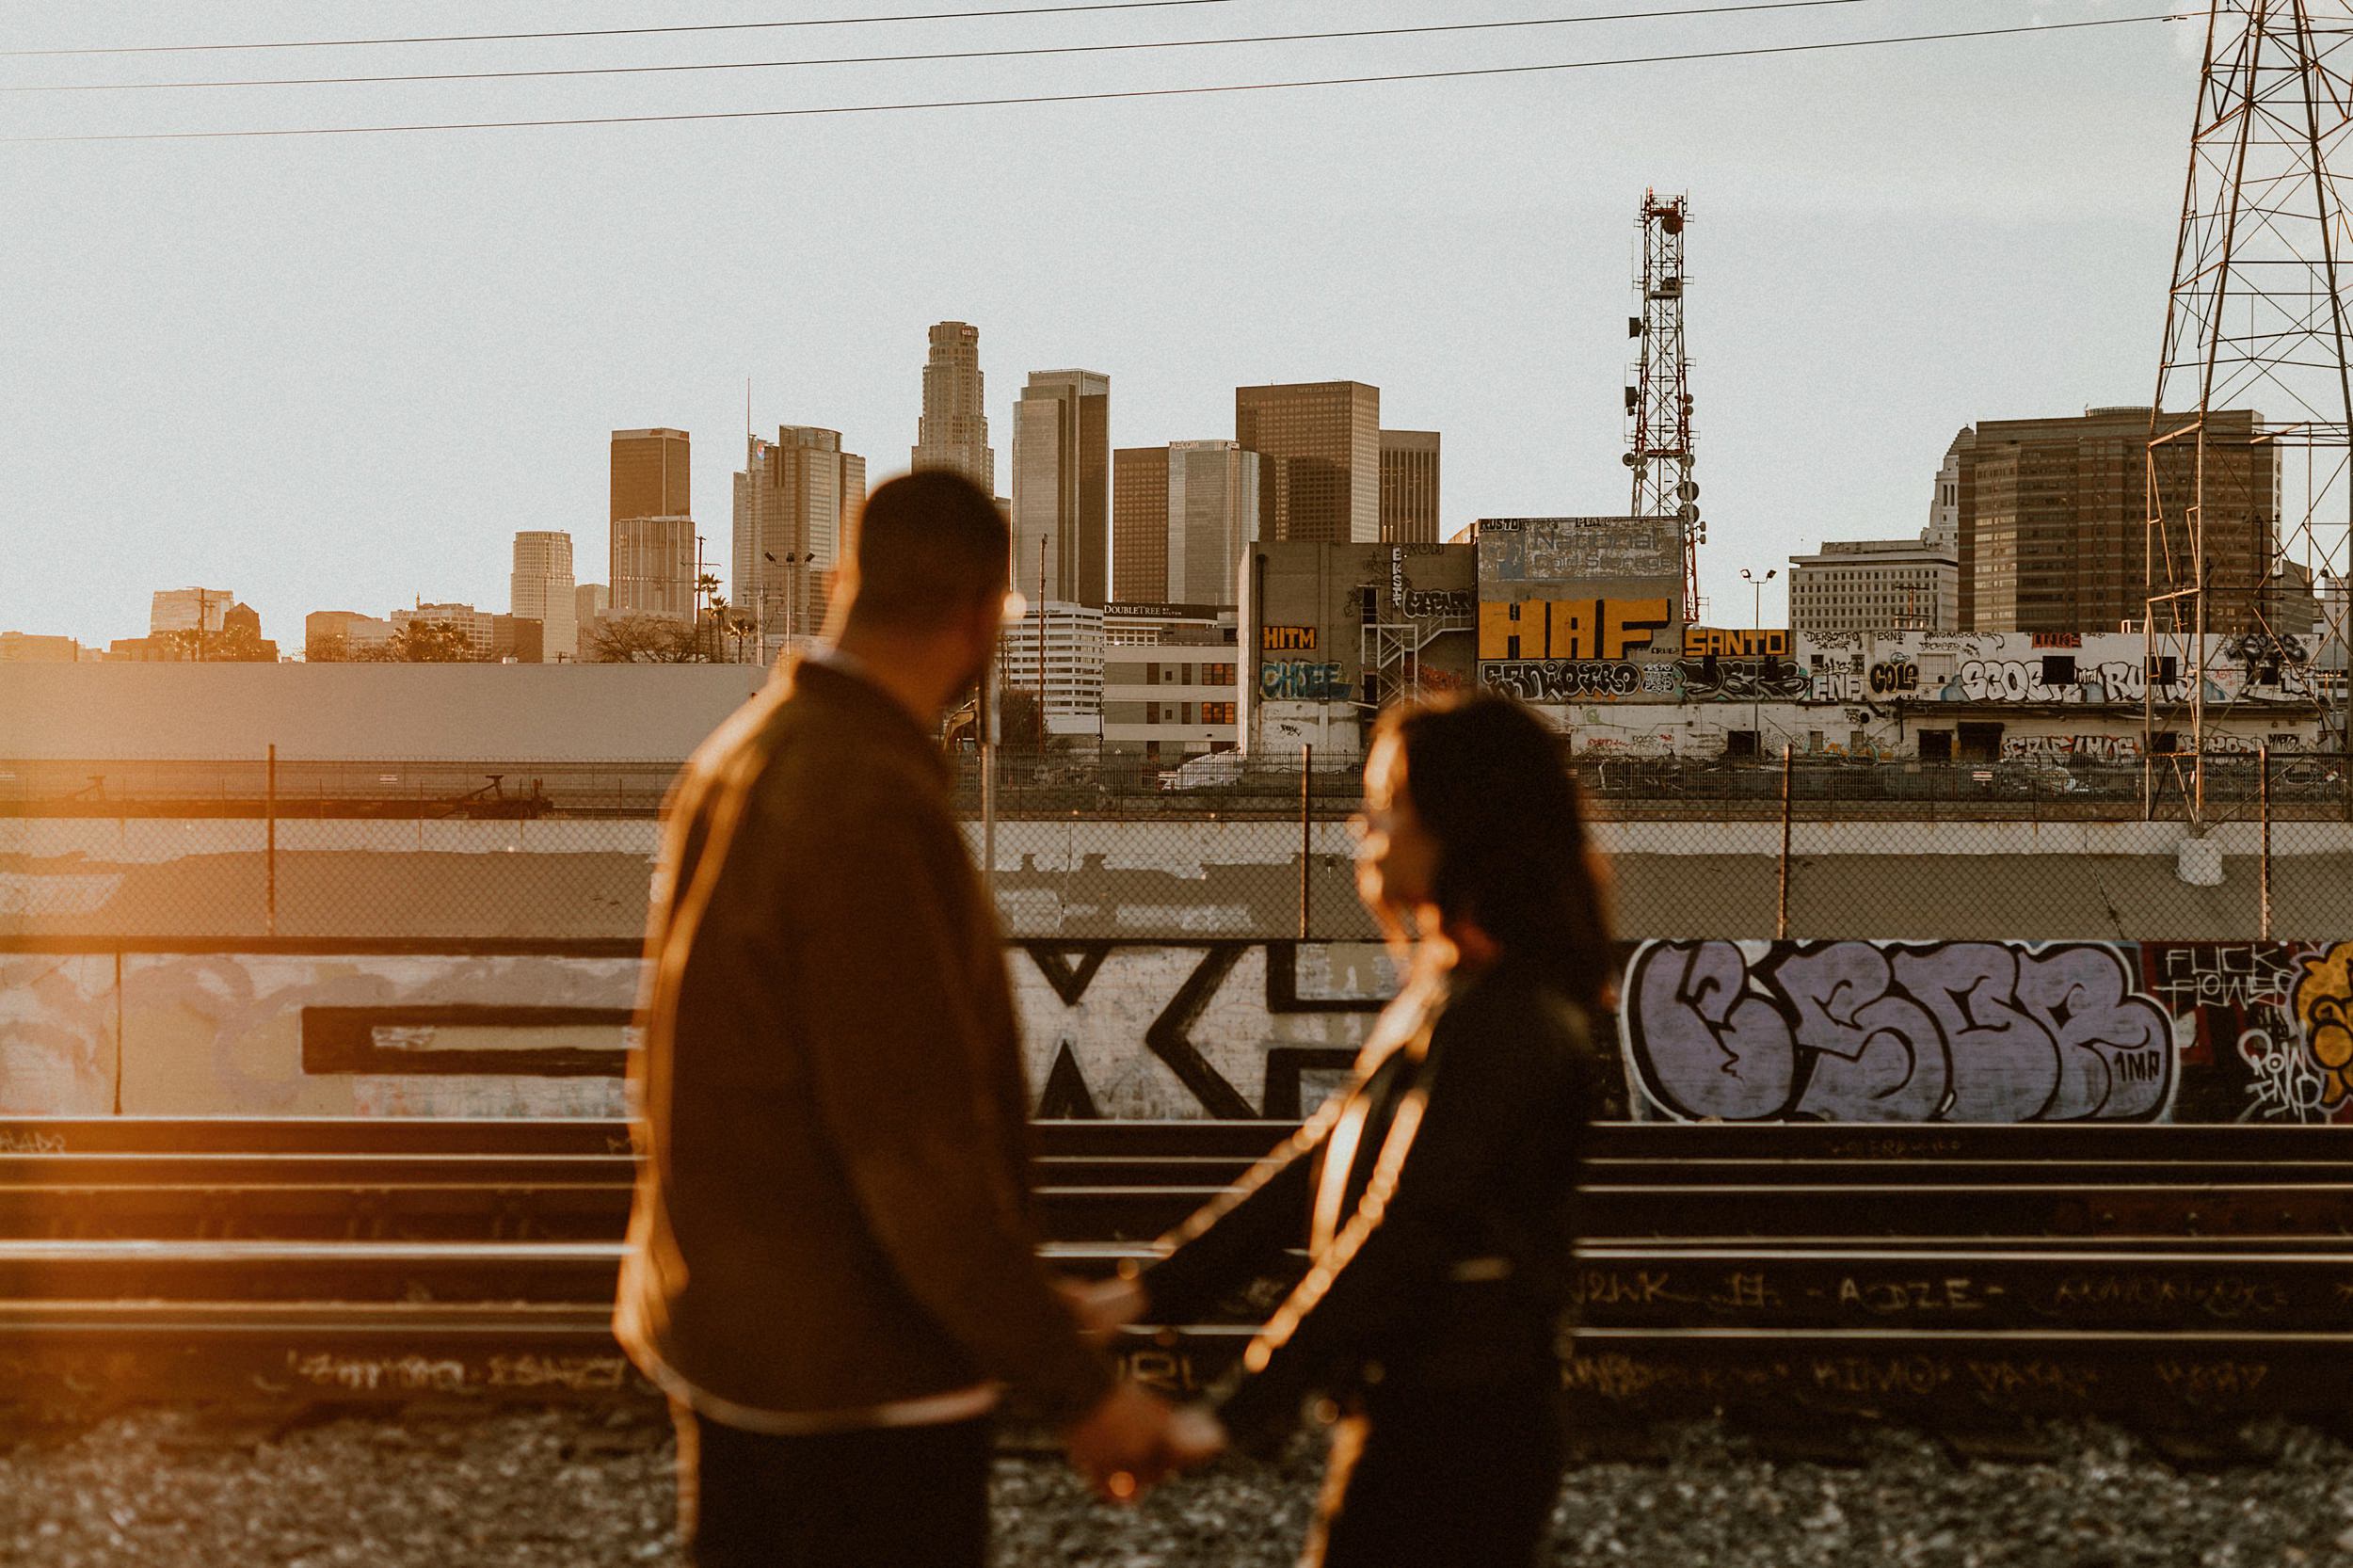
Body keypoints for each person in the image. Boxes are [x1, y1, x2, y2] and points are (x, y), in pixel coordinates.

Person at [615, 470, 1202, 1568]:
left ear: (844, 582)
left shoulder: (737, 755)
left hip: (734, 1343)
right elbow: (912, 1148)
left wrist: (1017, 1302)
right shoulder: (869, 803)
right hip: (864, 1385)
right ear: (985, 615)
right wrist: (1081, 1395)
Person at [1077, 690, 1612, 1568]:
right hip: (1430, 1416)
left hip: (1460, 1437)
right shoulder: (1453, 994)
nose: (1367, 832)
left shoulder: (1505, 1018)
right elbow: (1324, 1164)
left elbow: (1405, 1228)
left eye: (1391, 807)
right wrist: (1142, 1296)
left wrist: (1229, 1411)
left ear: (1461, 824)